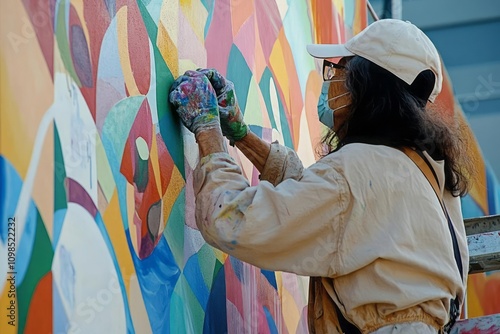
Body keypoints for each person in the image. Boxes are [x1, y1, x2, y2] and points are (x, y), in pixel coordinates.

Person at [169, 19, 474, 334]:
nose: (331, 83)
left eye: (337, 72)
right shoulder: (424, 175)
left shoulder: (359, 169)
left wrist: (207, 131)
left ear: (366, 86)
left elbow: (231, 221)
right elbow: (326, 204)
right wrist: (241, 135)